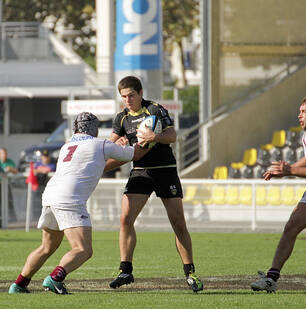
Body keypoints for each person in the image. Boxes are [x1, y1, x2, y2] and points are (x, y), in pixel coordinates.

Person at [8, 112, 148, 294]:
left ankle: (18, 285)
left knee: (46, 247)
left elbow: (92, 157)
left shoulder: (67, 146)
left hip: (50, 196)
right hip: (69, 200)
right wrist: (150, 138)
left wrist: (114, 147)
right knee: (83, 249)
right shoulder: (101, 143)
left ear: (76, 128)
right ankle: (55, 278)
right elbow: (135, 153)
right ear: (95, 130)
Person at [105, 76, 203, 292]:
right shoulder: (121, 118)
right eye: (123, 97)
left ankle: (190, 273)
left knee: (178, 223)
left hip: (165, 171)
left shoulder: (155, 109)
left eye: (131, 95)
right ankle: (125, 270)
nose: (128, 100)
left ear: (140, 93)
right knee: (125, 218)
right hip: (140, 171)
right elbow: (108, 145)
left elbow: (172, 135)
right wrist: (117, 146)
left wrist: (154, 136)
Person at [251, 93, 306, 293]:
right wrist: (286, 170)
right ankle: (271, 279)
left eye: (304, 111)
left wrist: (290, 171)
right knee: (291, 226)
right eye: (299, 111)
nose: (299, 115)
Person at [0, 147, 18, 223]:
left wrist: (10, 169)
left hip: (6, 185)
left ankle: (13, 218)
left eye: (5, 153)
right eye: (3, 154)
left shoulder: (9, 161)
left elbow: (16, 171)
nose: (4, 155)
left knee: (9, 202)